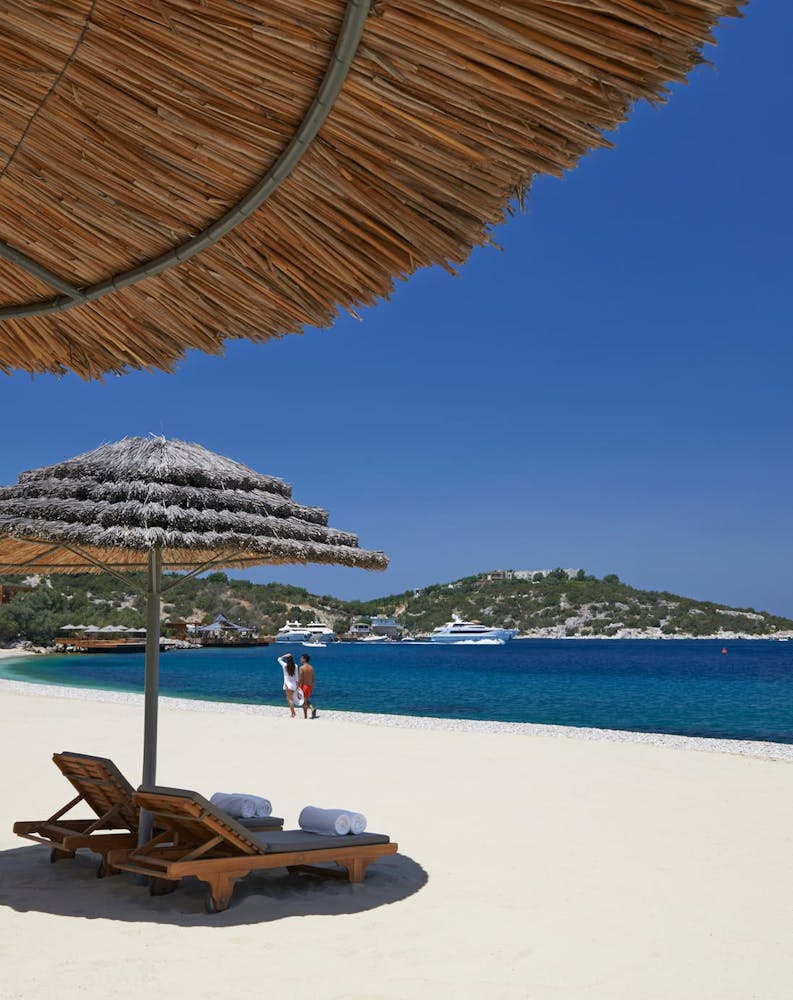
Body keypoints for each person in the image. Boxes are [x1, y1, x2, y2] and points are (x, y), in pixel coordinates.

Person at [277, 653, 299, 718]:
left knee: (290, 699)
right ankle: (293, 713)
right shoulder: (296, 666)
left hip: (287, 684)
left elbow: (279, 659)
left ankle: (293, 713)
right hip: (294, 684)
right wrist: (297, 687)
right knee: (291, 699)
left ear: (287, 660)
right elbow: (297, 678)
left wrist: (284, 655)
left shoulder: (285, 665)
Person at [298, 653, 317, 719]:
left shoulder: (301, 668)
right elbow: (313, 678)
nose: (300, 659)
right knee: (306, 700)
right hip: (310, 686)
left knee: (304, 702)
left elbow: (300, 679)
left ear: (304, 659)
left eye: (301, 658)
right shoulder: (311, 667)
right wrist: (312, 687)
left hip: (304, 686)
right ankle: (312, 708)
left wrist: (298, 688)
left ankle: (305, 716)